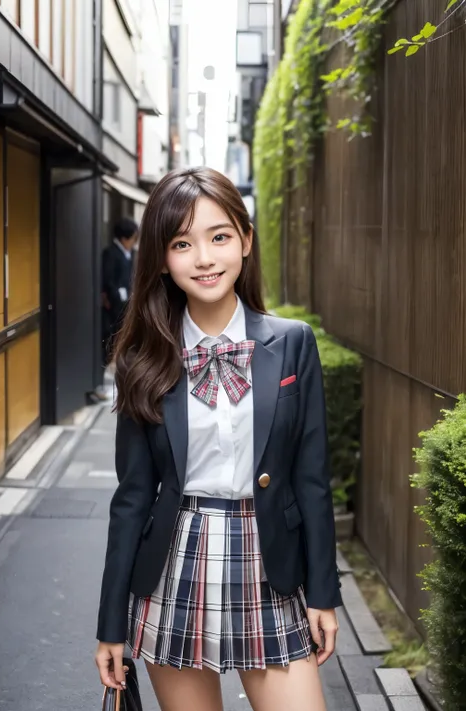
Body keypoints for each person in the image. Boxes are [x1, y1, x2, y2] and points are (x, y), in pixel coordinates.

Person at [95, 167, 342, 711]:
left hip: (270, 562)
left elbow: (311, 477)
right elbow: (132, 499)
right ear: (162, 257)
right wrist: (110, 624)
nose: (204, 257)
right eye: (182, 243)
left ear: (246, 240)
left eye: (219, 236)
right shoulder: (142, 360)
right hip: (175, 564)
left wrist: (324, 592)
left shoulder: (292, 344)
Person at [96, 217, 138, 401]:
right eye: (133, 238)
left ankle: (118, 375)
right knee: (110, 340)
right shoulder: (111, 253)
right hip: (112, 306)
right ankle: (104, 382)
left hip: (124, 304)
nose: (134, 242)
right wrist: (118, 296)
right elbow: (108, 281)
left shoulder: (128, 253)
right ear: (124, 238)